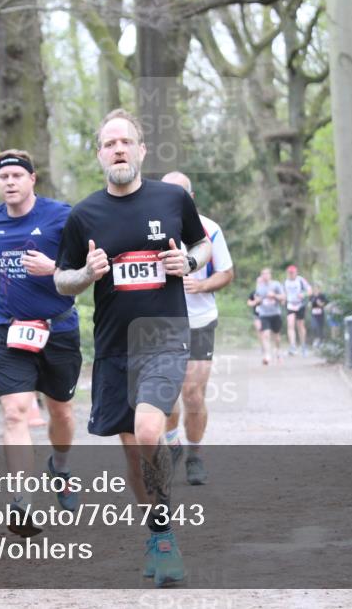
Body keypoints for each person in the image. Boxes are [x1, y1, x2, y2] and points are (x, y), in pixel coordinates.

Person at [54, 109, 210, 587]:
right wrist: (87, 274)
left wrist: (188, 260)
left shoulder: (172, 198)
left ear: (142, 151)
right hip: (113, 344)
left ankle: (165, 540)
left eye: (126, 142)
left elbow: (202, 247)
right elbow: (63, 281)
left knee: (148, 431)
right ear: (100, 155)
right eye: (109, 143)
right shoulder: (83, 215)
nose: (118, 149)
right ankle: (157, 533)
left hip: (162, 333)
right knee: (132, 455)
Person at [0, 149, 82, 537]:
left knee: (61, 413)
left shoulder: (60, 216)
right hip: (7, 328)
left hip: (58, 328)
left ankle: (60, 468)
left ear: (33, 179)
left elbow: (87, 265)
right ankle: (21, 500)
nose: (10, 182)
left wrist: (55, 269)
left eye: (17, 175)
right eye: (4, 177)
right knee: (15, 412)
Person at [160, 171, 234, 486]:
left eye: (180, 194)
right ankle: (174, 443)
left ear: (190, 197)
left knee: (192, 394)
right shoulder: (147, 228)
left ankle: (194, 456)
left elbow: (228, 273)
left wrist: (202, 285)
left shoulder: (210, 229)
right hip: (159, 324)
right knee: (165, 395)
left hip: (200, 322)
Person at [251, 268, 285, 365]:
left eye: (267, 274)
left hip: (275, 313)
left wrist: (274, 295)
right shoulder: (259, 287)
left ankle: (278, 351)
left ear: (270, 275)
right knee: (265, 334)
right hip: (264, 314)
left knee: (277, 336)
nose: (265, 276)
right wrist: (257, 300)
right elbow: (256, 298)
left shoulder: (276, 284)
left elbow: (283, 297)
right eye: (263, 274)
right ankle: (267, 355)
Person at [283, 265, 312, 356]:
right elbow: (283, 293)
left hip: (300, 305)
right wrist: (283, 299)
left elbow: (310, 291)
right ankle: (293, 346)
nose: (291, 274)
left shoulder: (301, 280)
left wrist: (303, 294)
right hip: (290, 305)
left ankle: (303, 345)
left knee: (300, 326)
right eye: (289, 273)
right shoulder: (285, 282)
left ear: (296, 272)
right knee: (290, 324)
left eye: (293, 273)